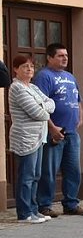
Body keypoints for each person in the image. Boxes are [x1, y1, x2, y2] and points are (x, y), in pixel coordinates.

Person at [34, 43, 83, 217]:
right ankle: (44, 205)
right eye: (60, 55)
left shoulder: (70, 76)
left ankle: (71, 204)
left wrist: (80, 116)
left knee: (73, 170)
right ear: (49, 58)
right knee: (49, 171)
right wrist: (52, 128)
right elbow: (40, 106)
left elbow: (78, 100)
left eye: (66, 55)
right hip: (54, 132)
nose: (65, 58)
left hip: (72, 132)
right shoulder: (44, 76)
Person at [9, 55, 55, 223]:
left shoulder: (33, 87)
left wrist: (43, 107)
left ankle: (34, 210)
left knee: (36, 175)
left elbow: (52, 103)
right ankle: (24, 213)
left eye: (31, 66)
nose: (29, 69)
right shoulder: (17, 87)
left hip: (39, 137)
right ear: (16, 69)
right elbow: (37, 113)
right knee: (26, 177)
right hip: (25, 137)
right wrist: (44, 109)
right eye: (24, 66)